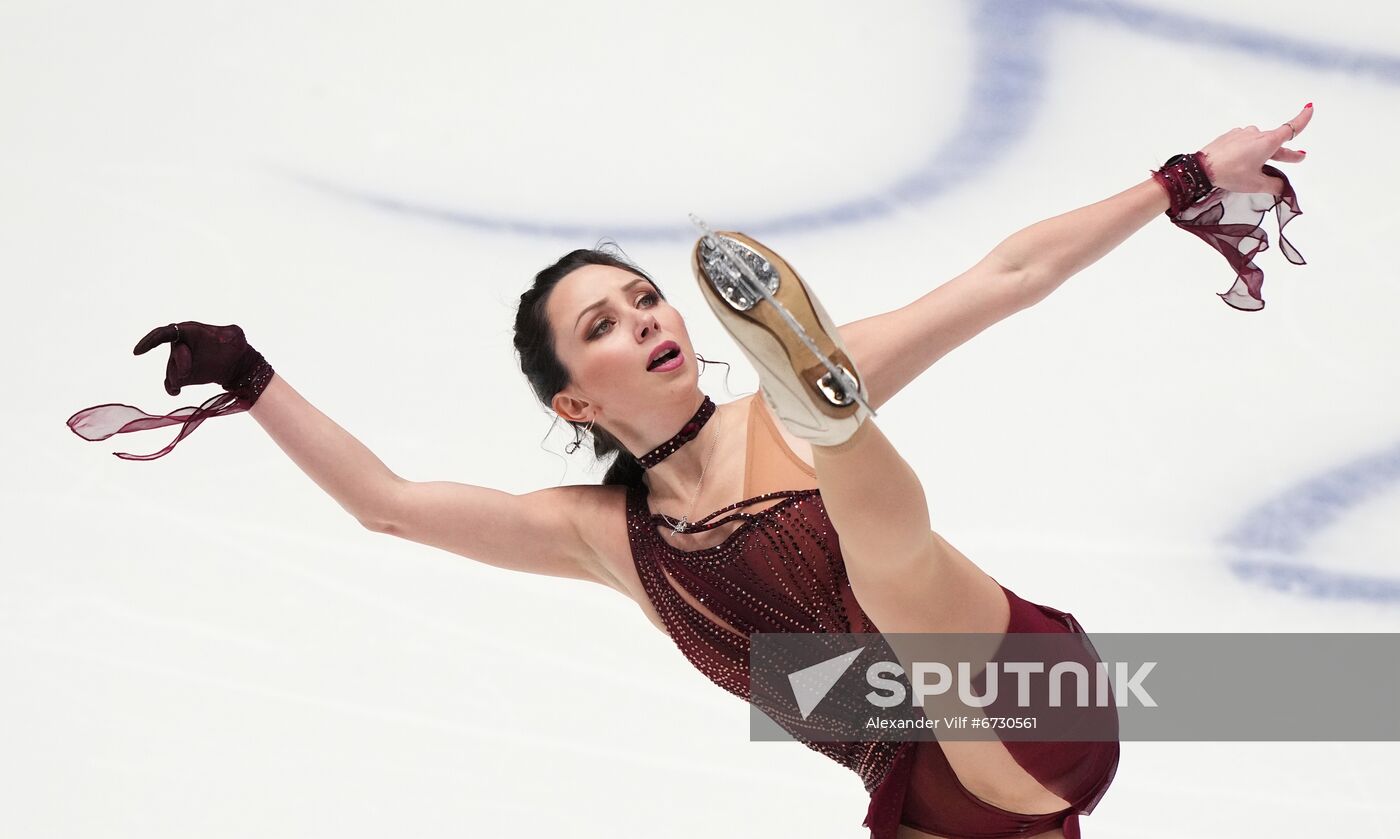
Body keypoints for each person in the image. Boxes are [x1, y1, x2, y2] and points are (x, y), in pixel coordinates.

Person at [66, 107, 1313, 838]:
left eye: (645, 298)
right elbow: (387, 506)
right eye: (600, 325)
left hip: (1024, 682)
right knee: (894, 692)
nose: (645, 321)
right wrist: (255, 381)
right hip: (935, 792)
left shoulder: (771, 409)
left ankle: (836, 417)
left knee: (889, 565)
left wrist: (1185, 180)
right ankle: (842, 439)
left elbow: (1004, 276)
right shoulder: (594, 532)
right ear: (572, 399)